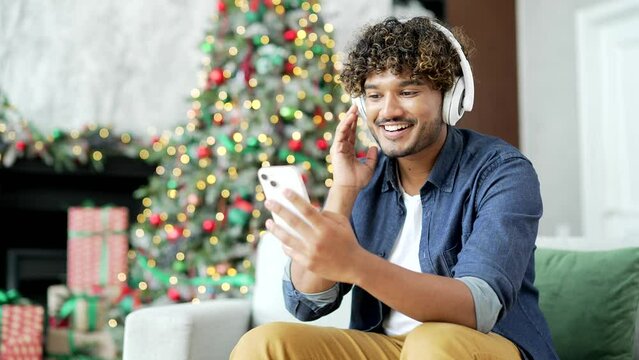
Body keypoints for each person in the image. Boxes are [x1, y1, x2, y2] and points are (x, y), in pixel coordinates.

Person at [231, 16, 558, 360]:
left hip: (479, 346)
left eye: (408, 91)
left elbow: (479, 307)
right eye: (374, 95)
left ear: (451, 96)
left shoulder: (501, 172)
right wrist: (342, 192)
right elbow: (306, 304)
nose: (388, 111)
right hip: (389, 348)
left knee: (430, 344)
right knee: (263, 344)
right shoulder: (365, 178)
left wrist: (356, 264)